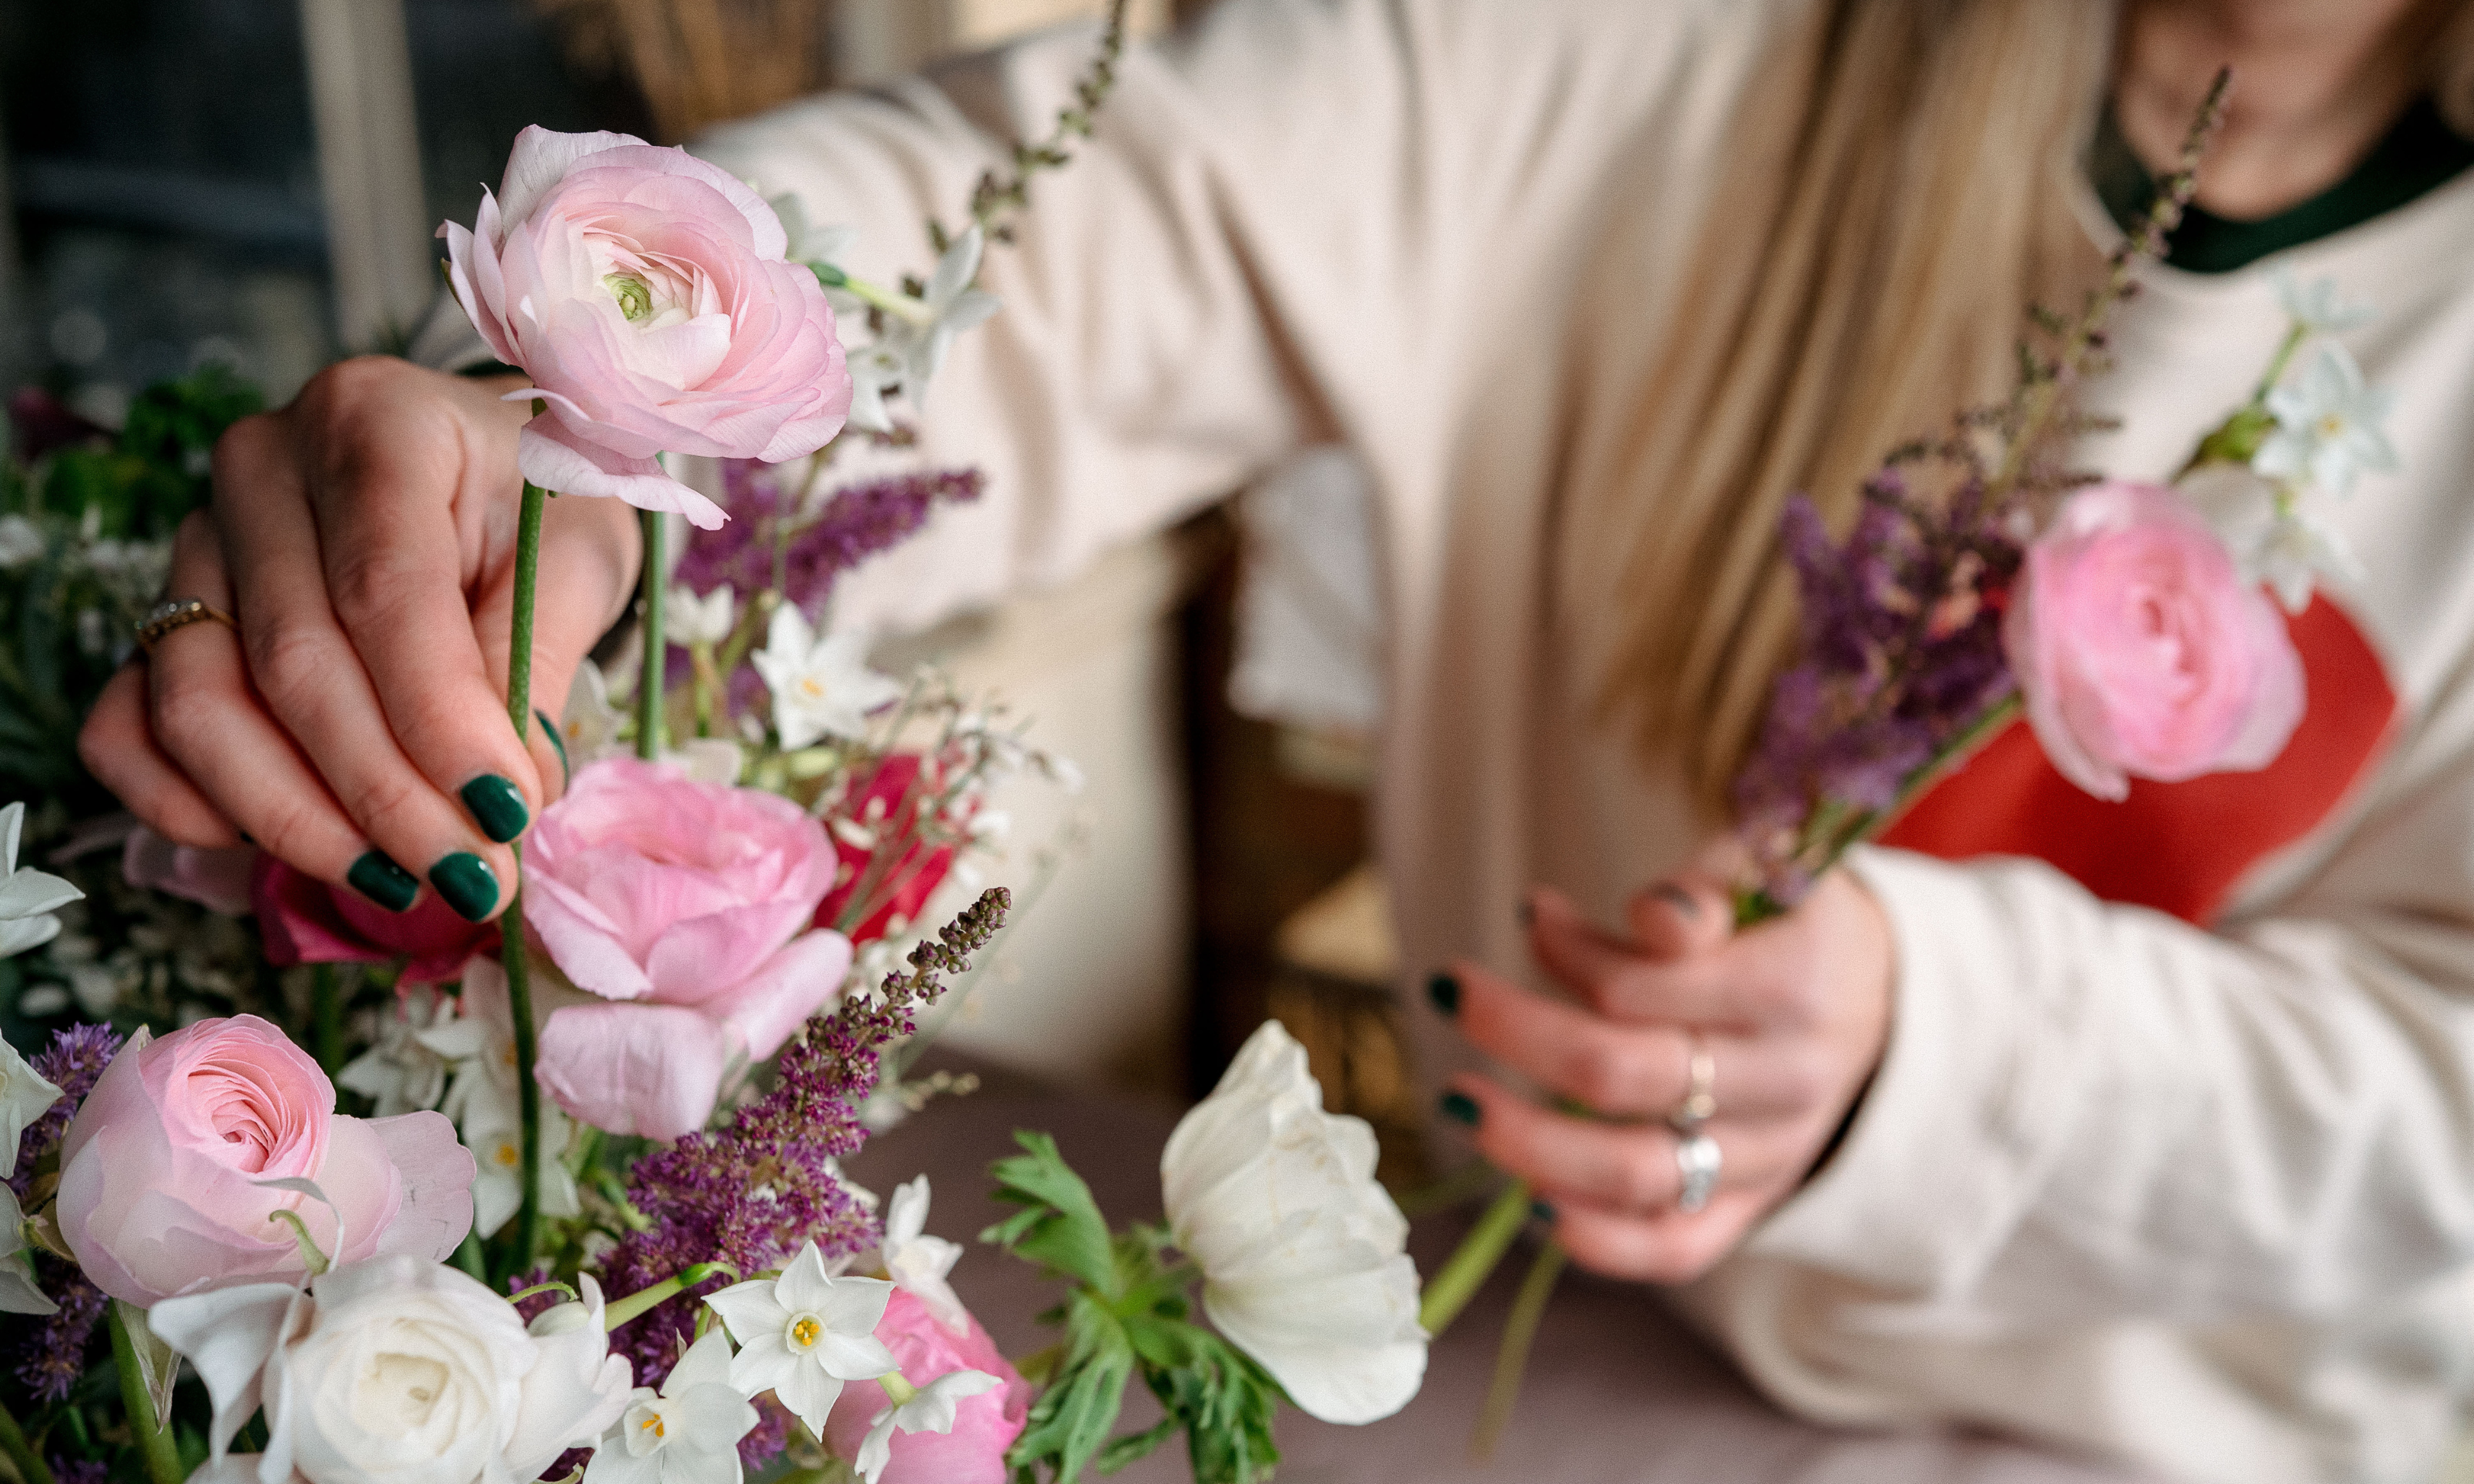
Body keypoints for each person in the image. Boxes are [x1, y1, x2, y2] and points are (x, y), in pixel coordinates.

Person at [75, 1, 2474, 1478]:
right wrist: (577, 427)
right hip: (1533, 1351)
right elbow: (1046, 230)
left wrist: (1939, 1050)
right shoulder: (1646, 58)